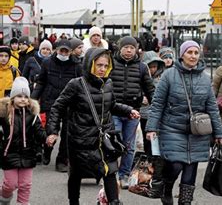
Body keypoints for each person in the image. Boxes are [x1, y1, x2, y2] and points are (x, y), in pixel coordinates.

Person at [46, 48, 139, 205]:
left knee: (109, 171)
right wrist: (53, 132)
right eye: (99, 65)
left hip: (104, 137)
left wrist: (129, 111)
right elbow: (57, 107)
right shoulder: (76, 84)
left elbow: (112, 105)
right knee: (76, 174)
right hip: (80, 139)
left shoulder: (108, 83)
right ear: (90, 64)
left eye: (105, 65)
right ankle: (73, 201)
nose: (102, 69)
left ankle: (114, 201)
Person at [145, 40, 222, 205]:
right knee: (175, 165)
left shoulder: (204, 78)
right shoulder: (169, 75)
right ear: (182, 55)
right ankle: (167, 187)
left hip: (197, 131)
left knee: (191, 168)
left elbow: (212, 107)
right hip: (172, 128)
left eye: (196, 53)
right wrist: (151, 127)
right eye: (190, 52)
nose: (193, 56)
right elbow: (158, 103)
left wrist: (218, 132)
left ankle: (185, 202)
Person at [109, 36, 155, 189]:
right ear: (120, 48)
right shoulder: (111, 64)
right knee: (115, 143)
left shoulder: (142, 67)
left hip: (133, 113)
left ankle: (124, 175)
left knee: (129, 146)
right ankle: (111, 175)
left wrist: (156, 107)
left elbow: (149, 89)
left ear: (136, 49)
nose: (129, 50)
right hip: (113, 110)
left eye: (132, 48)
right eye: (126, 47)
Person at [31, 39, 82, 172]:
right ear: (56, 50)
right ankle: (47, 150)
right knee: (50, 129)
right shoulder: (47, 63)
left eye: (66, 51)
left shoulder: (77, 65)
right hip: (51, 102)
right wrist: (33, 99)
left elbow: (81, 85)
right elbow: (41, 81)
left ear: (70, 52)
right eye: (61, 50)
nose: (64, 53)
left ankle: (62, 160)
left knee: (66, 133)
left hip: (69, 104)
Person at [0, 77, 47, 205]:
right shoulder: (4, 114)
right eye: (19, 96)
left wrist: (47, 138)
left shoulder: (32, 115)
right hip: (9, 154)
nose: (23, 99)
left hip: (28, 154)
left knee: (25, 184)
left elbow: (39, 131)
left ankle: (23, 203)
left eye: (26, 96)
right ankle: (4, 199)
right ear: (13, 97)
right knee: (10, 184)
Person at [139, 51, 165, 155]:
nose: (152, 69)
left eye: (155, 67)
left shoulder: (162, 79)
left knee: (157, 142)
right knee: (147, 142)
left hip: (158, 115)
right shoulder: (140, 78)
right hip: (144, 115)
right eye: (150, 67)